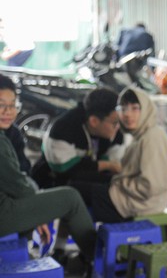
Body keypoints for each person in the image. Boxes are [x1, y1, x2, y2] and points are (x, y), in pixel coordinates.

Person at [0, 74, 96, 271]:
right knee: (70, 198)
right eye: (1, 104)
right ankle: (100, 260)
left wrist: (36, 208)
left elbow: (21, 175)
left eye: (12, 105)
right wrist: (39, 212)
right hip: (3, 213)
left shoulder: (10, 135)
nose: (7, 111)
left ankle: (26, 255)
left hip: (7, 204)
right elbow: (18, 184)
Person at [70, 86, 167, 222]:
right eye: (123, 108)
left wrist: (120, 183)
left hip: (138, 205)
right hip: (134, 199)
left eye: (135, 108)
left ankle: (85, 242)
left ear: (146, 110)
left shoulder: (152, 138)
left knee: (73, 192)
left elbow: (151, 186)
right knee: (84, 184)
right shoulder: (141, 135)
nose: (127, 114)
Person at [31, 88, 128, 189]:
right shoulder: (62, 130)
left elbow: (113, 163)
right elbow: (66, 171)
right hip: (52, 183)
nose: (119, 127)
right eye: (115, 123)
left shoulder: (114, 131)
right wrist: (107, 165)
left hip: (86, 179)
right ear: (94, 121)